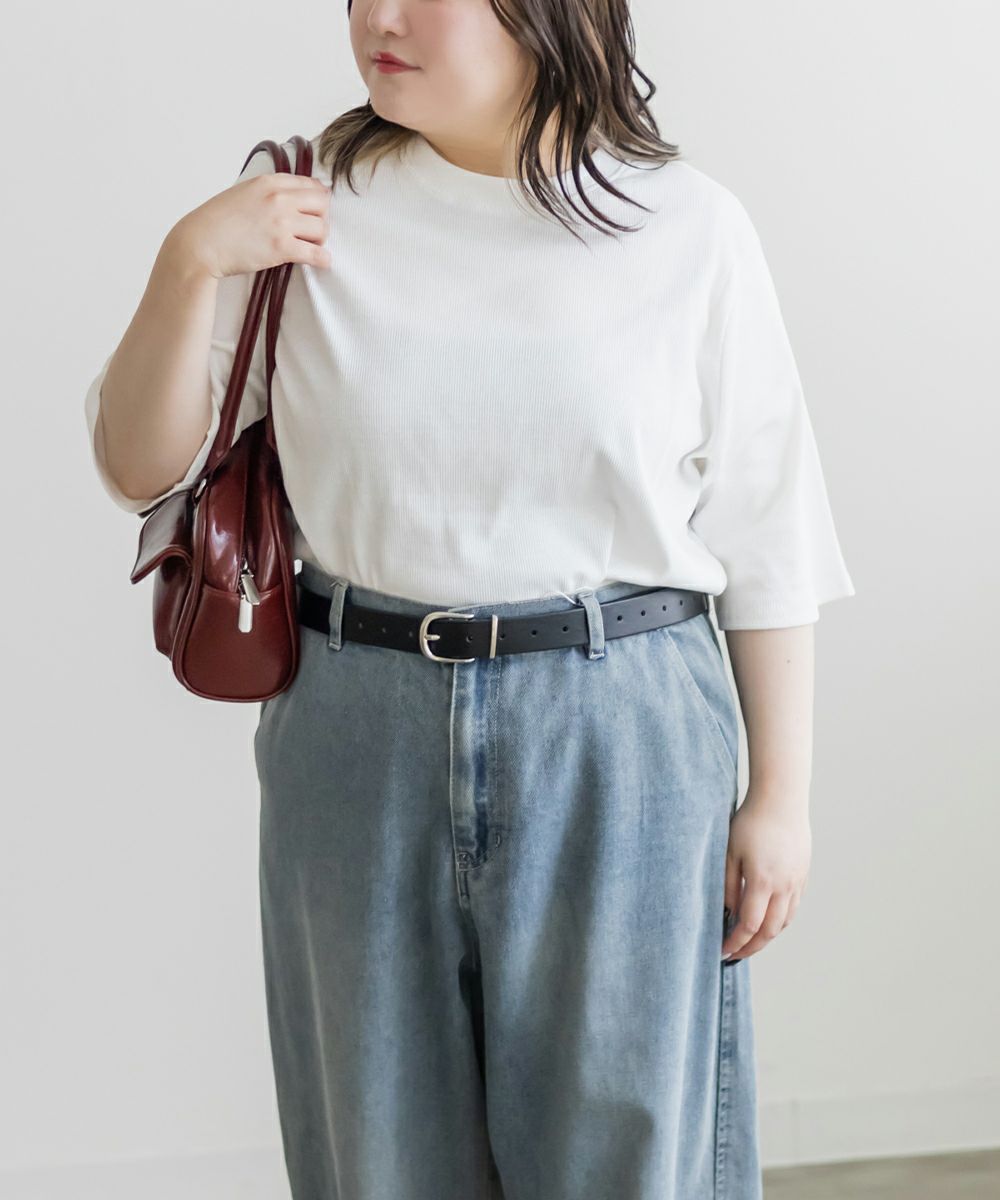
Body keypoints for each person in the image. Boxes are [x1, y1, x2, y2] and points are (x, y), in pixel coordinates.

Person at [84, 1, 856, 1197]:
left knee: (630, 1164)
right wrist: (188, 262)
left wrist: (781, 800)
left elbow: (768, 532)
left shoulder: (685, 226)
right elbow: (139, 467)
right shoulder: (300, 207)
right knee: (376, 1159)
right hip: (355, 729)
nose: (378, 19)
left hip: (622, 735)